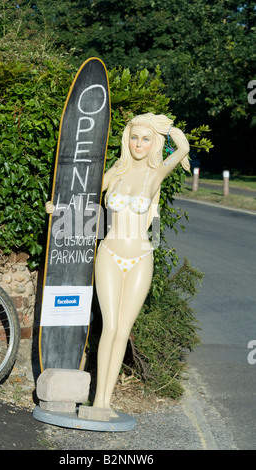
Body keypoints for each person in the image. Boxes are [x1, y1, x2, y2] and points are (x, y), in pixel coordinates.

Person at [46, 113, 190, 418]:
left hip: (141, 258)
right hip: (109, 253)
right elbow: (85, 196)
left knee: (123, 330)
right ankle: (96, 401)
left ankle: (106, 403)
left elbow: (183, 147)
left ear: (155, 144)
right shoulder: (117, 171)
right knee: (109, 326)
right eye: (134, 137)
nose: (139, 143)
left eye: (146, 138)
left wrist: (163, 126)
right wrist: (59, 208)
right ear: (127, 140)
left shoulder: (156, 174)